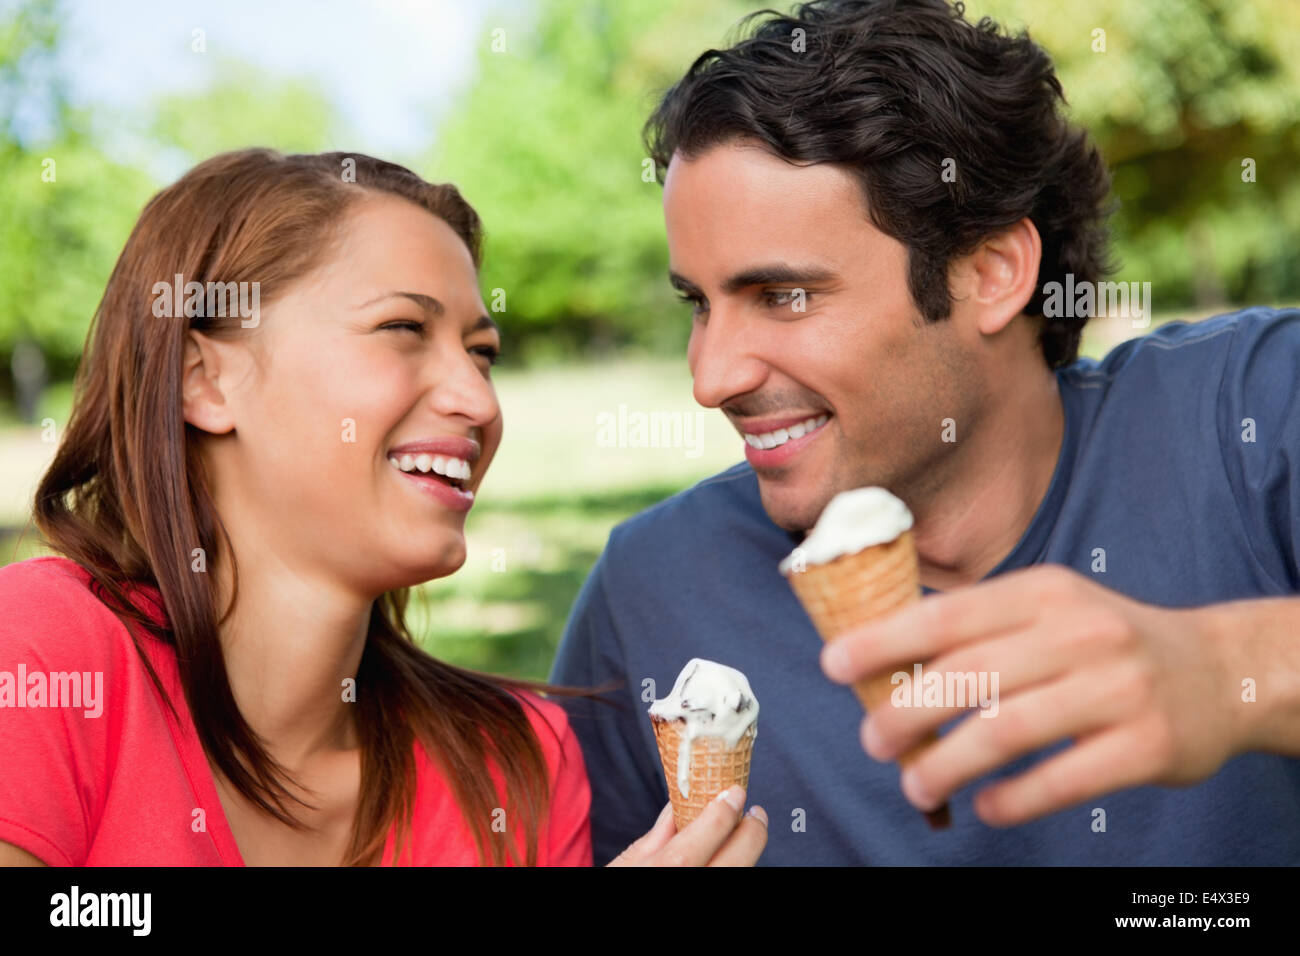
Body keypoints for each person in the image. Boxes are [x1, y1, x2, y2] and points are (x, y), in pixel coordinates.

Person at [550, 0, 1300, 865]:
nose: (711, 378)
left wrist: (1237, 670)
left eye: (783, 296)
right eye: (699, 304)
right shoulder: (652, 594)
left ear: (992, 272)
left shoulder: (1253, 418)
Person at [0, 148, 768, 867]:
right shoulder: (47, 655)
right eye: (403, 328)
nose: (477, 399)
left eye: (481, 352)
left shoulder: (518, 764)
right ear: (203, 381)